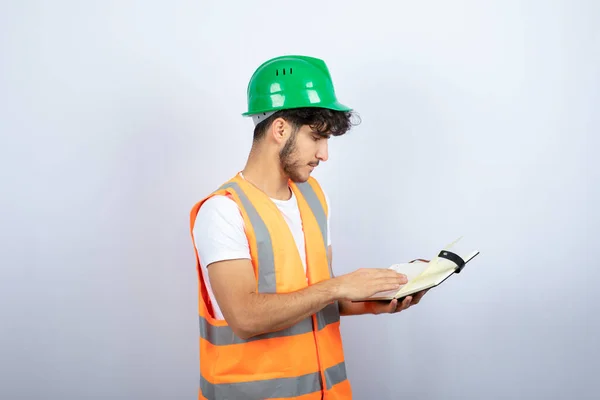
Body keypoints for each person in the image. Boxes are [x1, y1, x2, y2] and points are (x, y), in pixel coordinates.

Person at [189, 55, 428, 400]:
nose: (325, 154)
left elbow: (314, 298)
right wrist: (339, 286)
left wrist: (376, 298)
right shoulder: (223, 211)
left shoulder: (313, 197)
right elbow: (244, 317)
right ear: (281, 128)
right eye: (317, 138)